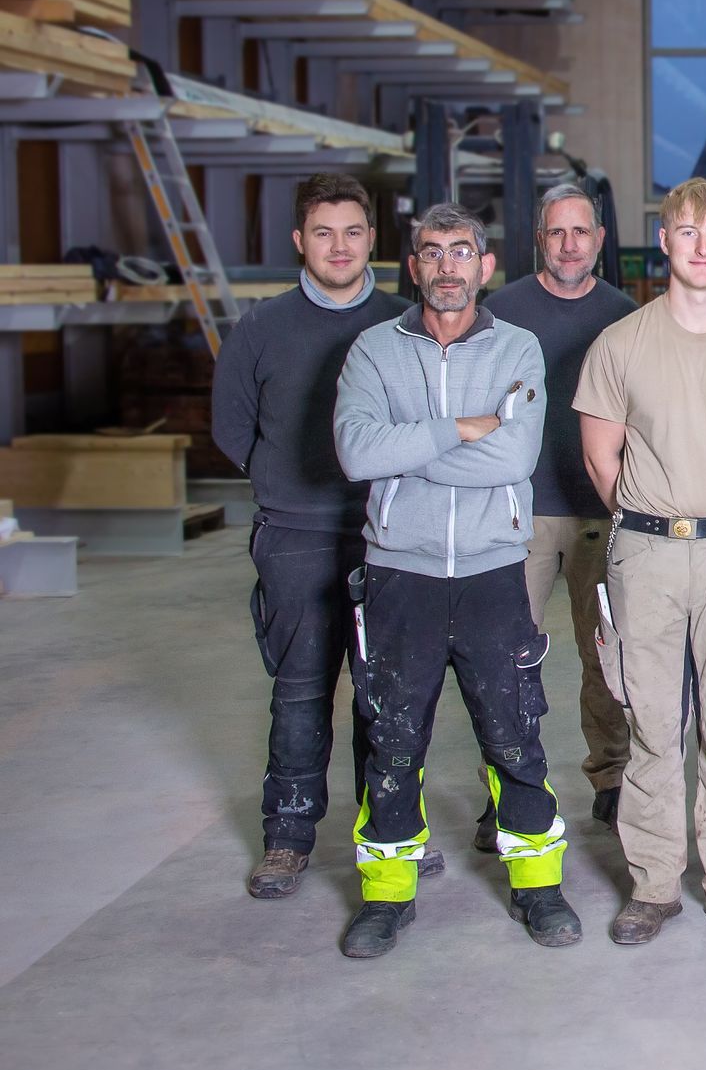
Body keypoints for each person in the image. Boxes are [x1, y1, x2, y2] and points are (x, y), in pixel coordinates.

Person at [332, 202, 577, 957]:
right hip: (397, 573)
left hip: (492, 572)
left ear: (485, 265)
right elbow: (354, 453)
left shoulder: (519, 349)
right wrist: (461, 428)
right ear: (413, 267)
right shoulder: (372, 350)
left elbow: (512, 459)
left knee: (515, 737)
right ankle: (386, 896)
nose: (447, 266)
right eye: (432, 253)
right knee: (392, 740)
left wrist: (405, 447)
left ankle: (538, 887)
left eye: (461, 251)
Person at [573, 178, 706, 947]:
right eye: (686, 231)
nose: (702, 246)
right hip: (647, 555)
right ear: (663, 241)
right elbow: (602, 459)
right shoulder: (621, 343)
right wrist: (654, 524)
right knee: (653, 725)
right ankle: (655, 882)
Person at [212, 172, 435, 900]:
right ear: (298, 242)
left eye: (352, 232)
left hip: (390, 533)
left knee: (387, 694)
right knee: (303, 688)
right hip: (297, 534)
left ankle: (391, 832)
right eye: (323, 233)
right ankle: (288, 835)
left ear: (373, 240)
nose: (338, 246)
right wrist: (287, 484)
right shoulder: (261, 327)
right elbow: (230, 428)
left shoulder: (409, 321)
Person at [484, 184, 636, 845]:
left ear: (600, 240)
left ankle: (610, 782)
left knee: (605, 656)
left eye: (581, 232)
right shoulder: (500, 311)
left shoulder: (626, 316)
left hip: (599, 512)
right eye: (556, 233)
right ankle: (508, 788)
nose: (570, 244)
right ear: (539, 240)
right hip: (516, 513)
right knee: (504, 658)